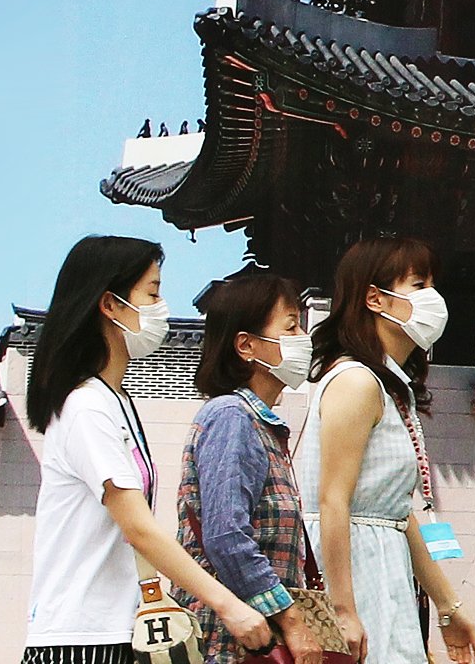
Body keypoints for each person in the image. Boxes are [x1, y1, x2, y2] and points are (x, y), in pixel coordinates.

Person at [23, 236, 273, 664]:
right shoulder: (87, 407)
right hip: (80, 637)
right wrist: (229, 606)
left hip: (121, 632)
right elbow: (138, 527)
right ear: (110, 305)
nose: (163, 307)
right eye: (152, 293)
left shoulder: (115, 400)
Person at [296, 238, 475, 664]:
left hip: (386, 564)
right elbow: (332, 500)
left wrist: (448, 607)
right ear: (375, 299)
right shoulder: (356, 382)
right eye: (418, 284)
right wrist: (343, 610)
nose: (432, 298)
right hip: (359, 573)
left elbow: (397, 512)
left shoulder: (389, 386)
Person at [175, 271, 325, 664]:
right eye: (291, 327)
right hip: (231, 644)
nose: (302, 340)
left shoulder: (260, 424)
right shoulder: (232, 417)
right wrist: (292, 621)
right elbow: (226, 535)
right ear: (246, 345)